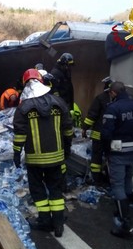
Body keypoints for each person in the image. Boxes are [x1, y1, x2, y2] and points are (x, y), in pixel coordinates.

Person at [13, 68, 73, 237]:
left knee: (38, 191)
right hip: (56, 157)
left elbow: (19, 135)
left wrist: (16, 154)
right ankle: (59, 224)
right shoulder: (58, 102)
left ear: (26, 84)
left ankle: (45, 222)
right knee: (55, 189)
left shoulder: (24, 107)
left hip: (34, 160)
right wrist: (66, 150)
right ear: (41, 80)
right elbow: (68, 129)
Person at [101, 81, 133, 238]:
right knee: (127, 181)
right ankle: (123, 210)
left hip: (118, 153)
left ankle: (125, 224)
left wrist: (107, 151)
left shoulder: (113, 108)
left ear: (113, 93)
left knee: (118, 186)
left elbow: (106, 134)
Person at [82, 77, 113, 184]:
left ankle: (96, 179)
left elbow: (92, 116)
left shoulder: (100, 98)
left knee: (96, 157)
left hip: (98, 134)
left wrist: (84, 128)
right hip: (111, 136)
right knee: (110, 156)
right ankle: (110, 178)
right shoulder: (118, 101)